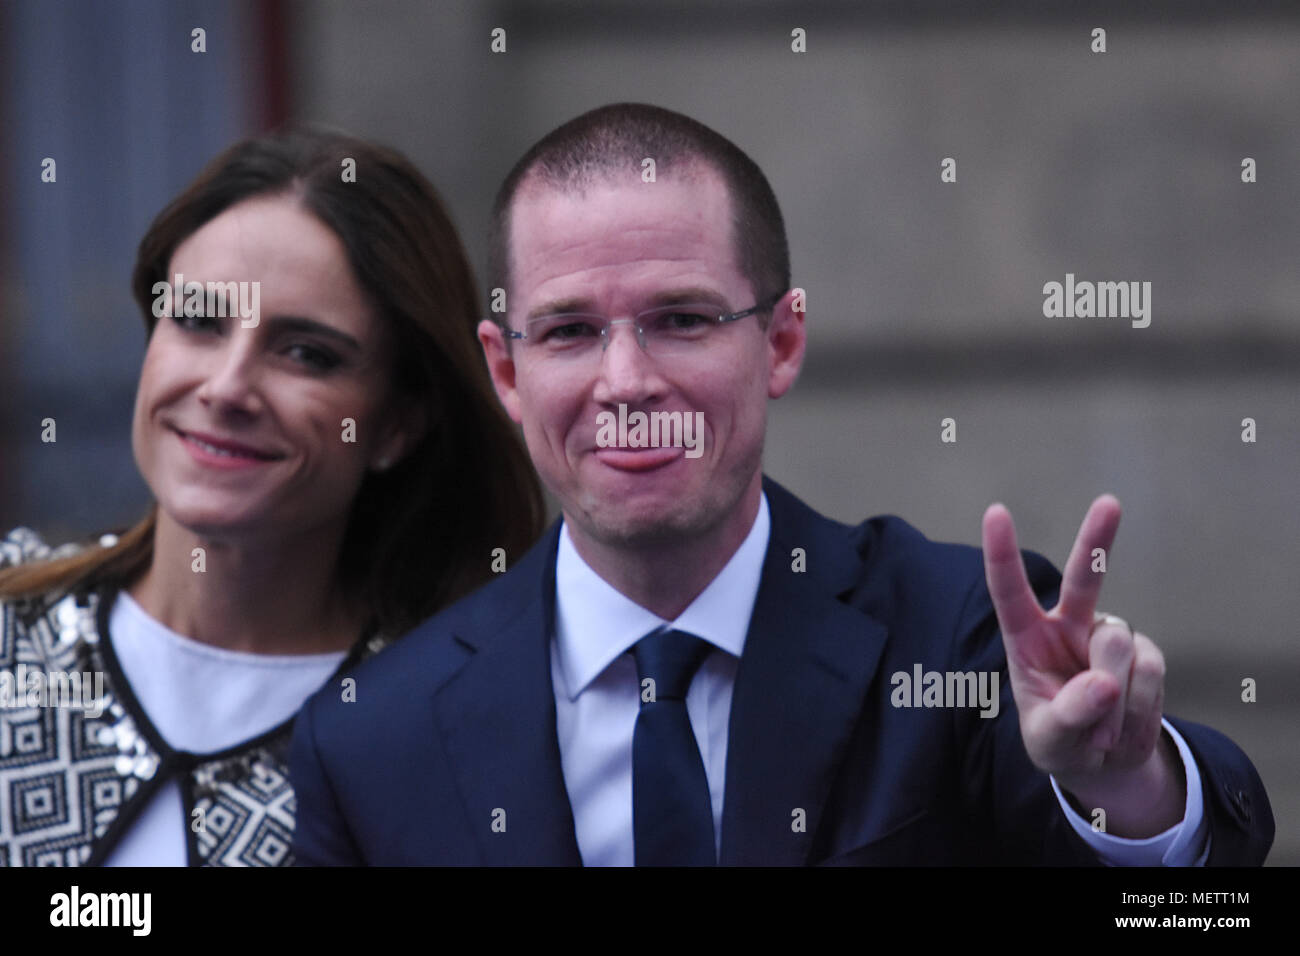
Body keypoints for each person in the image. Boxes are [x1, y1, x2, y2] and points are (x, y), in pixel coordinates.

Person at [289, 103, 1273, 866]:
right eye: (570, 330)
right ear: (506, 371)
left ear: (782, 341)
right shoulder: (375, 735)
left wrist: (1130, 786)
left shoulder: (955, 635)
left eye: (681, 317)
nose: (626, 381)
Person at [0, 127, 544, 866]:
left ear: (398, 424)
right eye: (197, 321)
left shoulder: (453, 731)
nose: (226, 388)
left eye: (307, 353)